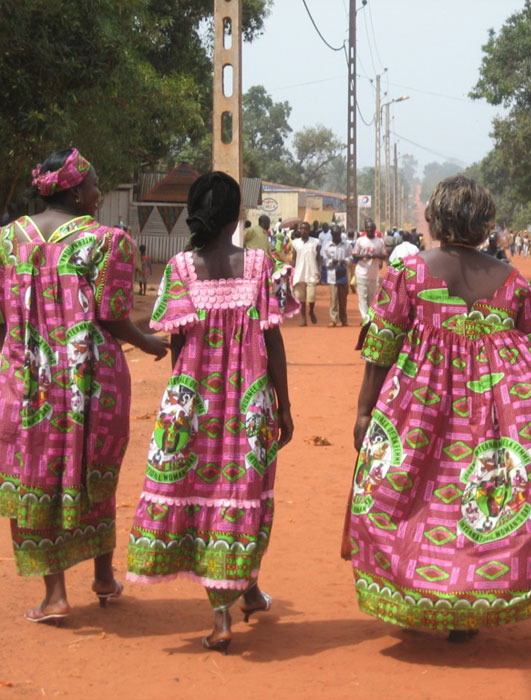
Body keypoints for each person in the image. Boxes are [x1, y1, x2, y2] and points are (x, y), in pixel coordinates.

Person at [347, 176, 531, 641]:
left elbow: (381, 348)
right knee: (475, 505)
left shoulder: (410, 271)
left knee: (412, 496)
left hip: (418, 410)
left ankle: (416, 591)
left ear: (435, 219)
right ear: (484, 223)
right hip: (494, 413)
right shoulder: (511, 280)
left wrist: (365, 410)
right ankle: (466, 604)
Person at [127, 172, 298, 655]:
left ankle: (241, 600)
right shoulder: (260, 264)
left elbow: (179, 343)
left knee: (203, 494)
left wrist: (180, 404)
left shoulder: (181, 267)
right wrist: (284, 406)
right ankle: (229, 610)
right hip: (249, 403)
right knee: (243, 493)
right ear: (235, 213)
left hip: (193, 405)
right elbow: (273, 339)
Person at [0, 148, 168, 624]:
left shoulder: (7, 240)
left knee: (32, 476)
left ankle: (55, 595)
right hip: (91, 381)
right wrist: (149, 342)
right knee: (92, 472)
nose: (98, 192)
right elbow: (112, 316)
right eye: (94, 184)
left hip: (25, 378)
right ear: (75, 190)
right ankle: (102, 574)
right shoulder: (107, 241)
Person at [353, 219, 387, 321]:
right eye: (367, 228)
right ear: (365, 229)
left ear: (375, 229)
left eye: (371, 228)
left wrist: (376, 255)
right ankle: (365, 318)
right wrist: (364, 256)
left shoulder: (379, 241)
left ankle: (370, 316)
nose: (369, 230)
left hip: (373, 274)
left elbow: (384, 255)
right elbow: (354, 254)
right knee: (362, 297)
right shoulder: (360, 241)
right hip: (361, 273)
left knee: (371, 298)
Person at [291, 221, 321, 326]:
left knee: (311, 297)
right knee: (301, 299)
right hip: (299, 274)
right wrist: (290, 271)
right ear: (300, 230)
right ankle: (304, 319)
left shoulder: (316, 242)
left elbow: (319, 259)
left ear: (309, 230)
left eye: (306, 229)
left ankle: (311, 311)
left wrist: (320, 271)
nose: (303, 231)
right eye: (302, 229)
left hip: (312, 273)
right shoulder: (295, 243)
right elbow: (294, 259)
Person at [323, 224, 353, 327]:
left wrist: (345, 261)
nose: (336, 236)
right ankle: (333, 319)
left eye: (338, 234)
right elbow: (325, 260)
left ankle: (344, 319)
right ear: (331, 234)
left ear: (340, 234)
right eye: (334, 234)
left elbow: (351, 256)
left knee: (343, 298)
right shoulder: (327, 246)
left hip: (343, 274)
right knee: (334, 298)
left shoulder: (346, 245)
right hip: (332, 275)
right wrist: (332, 262)